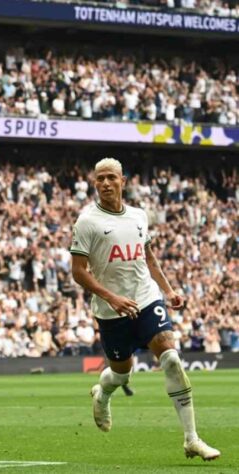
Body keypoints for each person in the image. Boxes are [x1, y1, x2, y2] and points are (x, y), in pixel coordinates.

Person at [70, 158, 220, 461]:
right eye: (100, 179)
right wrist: (111, 297)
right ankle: (103, 394)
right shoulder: (87, 221)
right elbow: (78, 271)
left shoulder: (139, 216)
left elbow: (147, 257)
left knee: (171, 357)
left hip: (146, 297)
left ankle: (192, 438)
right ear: (94, 183)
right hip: (112, 310)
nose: (105, 184)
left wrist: (168, 289)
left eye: (111, 177)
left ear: (123, 181)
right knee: (120, 375)